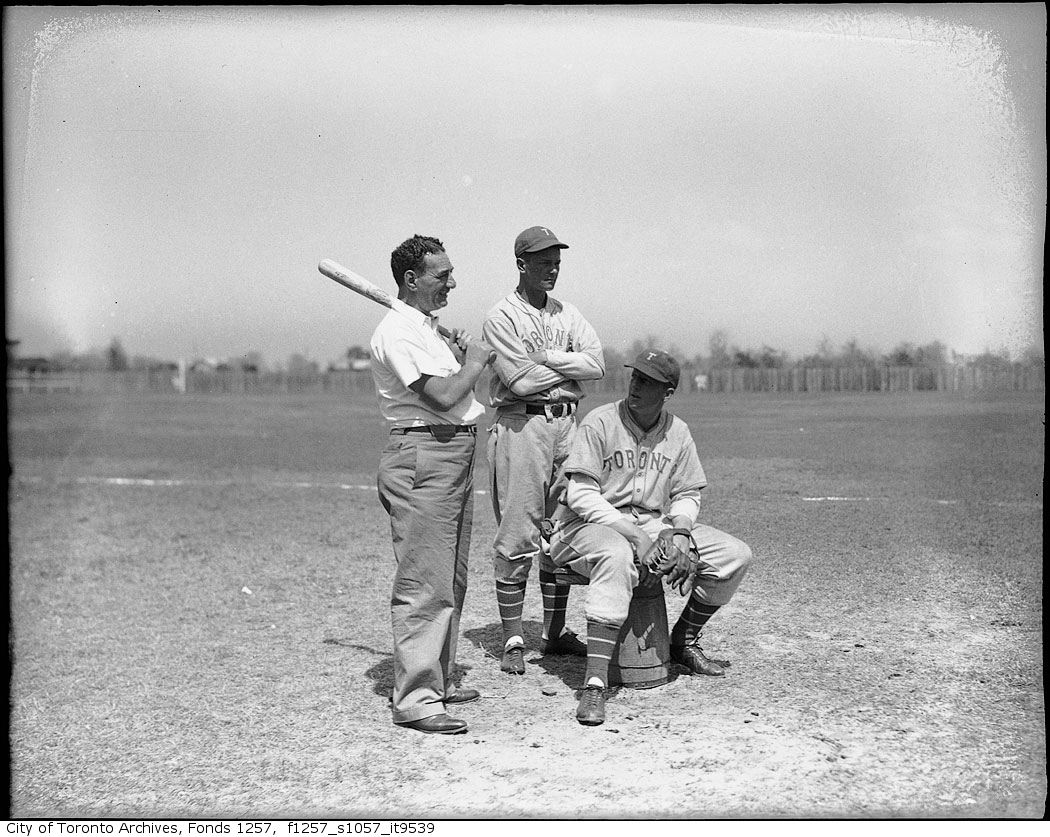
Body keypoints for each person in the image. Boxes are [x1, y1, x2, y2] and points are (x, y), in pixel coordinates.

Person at [547, 349, 753, 726]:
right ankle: (594, 684)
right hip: (583, 527)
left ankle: (683, 641)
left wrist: (679, 534)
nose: (636, 385)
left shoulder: (678, 432)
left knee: (734, 555)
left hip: (653, 525)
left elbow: (688, 493)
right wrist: (635, 537)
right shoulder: (600, 422)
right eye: (635, 377)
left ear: (668, 391)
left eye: (648, 381)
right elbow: (579, 494)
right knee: (616, 554)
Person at [370, 234, 496, 735]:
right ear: (411, 280)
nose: (451, 282)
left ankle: (436, 678)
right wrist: (474, 363)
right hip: (423, 456)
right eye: (441, 276)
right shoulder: (396, 332)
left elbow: (458, 396)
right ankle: (416, 698)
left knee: (451, 576)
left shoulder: (425, 329)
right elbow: (444, 396)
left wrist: (462, 353)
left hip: (454, 453)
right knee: (426, 579)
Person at [482, 226, 605, 675]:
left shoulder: (567, 313)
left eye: (557, 261)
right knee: (518, 532)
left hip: (566, 426)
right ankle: (514, 637)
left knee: (563, 526)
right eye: (543, 261)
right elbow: (520, 381)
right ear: (521, 264)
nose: (552, 268)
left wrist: (548, 359)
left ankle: (554, 634)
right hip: (523, 423)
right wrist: (567, 370)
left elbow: (597, 364)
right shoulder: (501, 316)